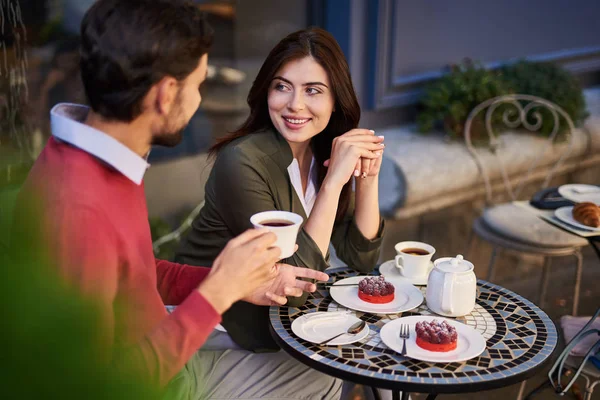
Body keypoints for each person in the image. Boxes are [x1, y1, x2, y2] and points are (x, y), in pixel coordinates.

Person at [11, 1, 340, 399]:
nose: (200, 100)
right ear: (167, 94)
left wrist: (238, 283)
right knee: (323, 369)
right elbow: (97, 386)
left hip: (169, 353)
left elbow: (140, 275)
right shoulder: (77, 210)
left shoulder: (104, 157)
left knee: (322, 366)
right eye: (198, 86)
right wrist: (216, 292)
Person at [176, 27, 385, 352]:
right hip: (215, 331)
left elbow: (362, 258)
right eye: (282, 87)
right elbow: (296, 285)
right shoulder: (242, 161)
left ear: (335, 100)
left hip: (288, 321)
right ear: (266, 92)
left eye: (313, 91)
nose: (294, 105)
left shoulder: (322, 152)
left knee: (379, 342)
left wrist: (366, 178)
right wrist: (332, 185)